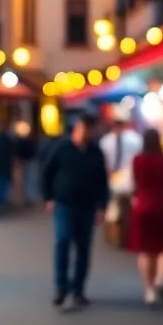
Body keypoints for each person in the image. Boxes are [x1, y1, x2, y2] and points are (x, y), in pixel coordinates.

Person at [41, 114, 109, 311]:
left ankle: (78, 289)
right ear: (76, 129)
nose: (87, 133)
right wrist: (48, 197)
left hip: (87, 206)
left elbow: (102, 181)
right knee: (63, 241)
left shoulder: (96, 152)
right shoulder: (62, 149)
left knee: (83, 248)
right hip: (64, 204)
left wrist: (102, 206)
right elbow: (47, 172)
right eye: (83, 129)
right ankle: (61, 288)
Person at [129, 128, 163, 305]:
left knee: (145, 249)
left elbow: (133, 183)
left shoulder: (137, 160)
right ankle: (160, 280)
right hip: (162, 205)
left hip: (142, 205)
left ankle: (148, 290)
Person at [99, 108, 142, 176]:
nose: (118, 126)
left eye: (120, 123)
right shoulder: (105, 141)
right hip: (110, 177)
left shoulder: (135, 139)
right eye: (116, 123)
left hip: (129, 177)